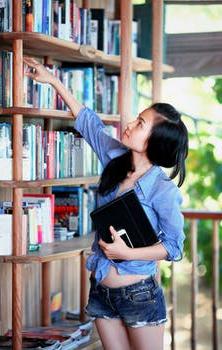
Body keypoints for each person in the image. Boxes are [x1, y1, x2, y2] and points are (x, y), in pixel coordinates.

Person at [24, 57, 189, 350]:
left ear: (156, 142)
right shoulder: (114, 156)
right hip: (101, 290)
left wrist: (129, 251)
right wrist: (53, 81)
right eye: (137, 117)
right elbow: (88, 122)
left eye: (140, 123)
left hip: (140, 294)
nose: (130, 123)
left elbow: (174, 247)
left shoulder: (163, 190)